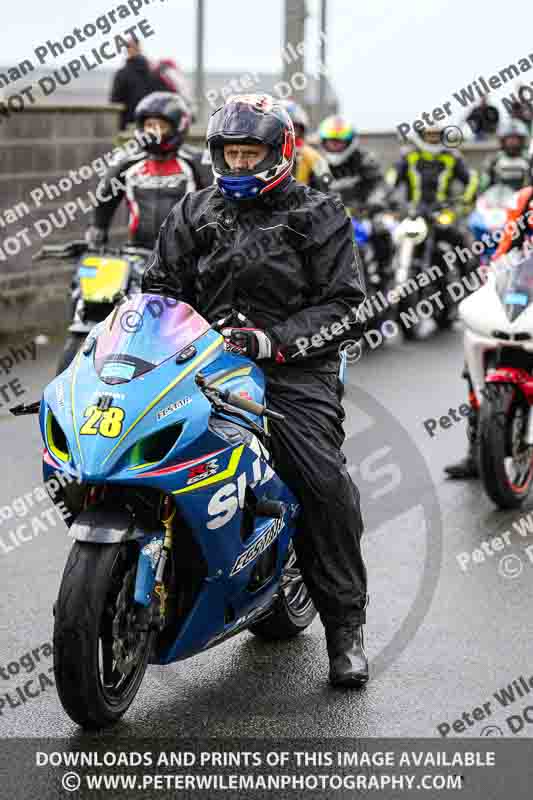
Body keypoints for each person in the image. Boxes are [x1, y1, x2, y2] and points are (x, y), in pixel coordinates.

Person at [141, 93, 370, 688]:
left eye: (251, 153)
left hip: (292, 373)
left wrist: (273, 341)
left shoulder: (318, 214)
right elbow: (159, 290)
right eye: (231, 153)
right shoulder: (194, 211)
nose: (240, 164)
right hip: (200, 363)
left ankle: (345, 627)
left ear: (279, 153)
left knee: (321, 482)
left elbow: (346, 305)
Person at [445, 185, 533, 478]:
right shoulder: (525, 197)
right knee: (481, 354)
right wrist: (495, 269)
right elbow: (507, 243)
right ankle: (477, 451)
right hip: (526, 282)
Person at [86, 92, 207, 250]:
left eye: (161, 127)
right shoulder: (127, 163)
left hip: (185, 256)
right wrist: (96, 233)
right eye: (149, 126)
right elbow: (104, 201)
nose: (153, 133)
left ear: (178, 126)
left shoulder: (197, 162)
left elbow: (217, 205)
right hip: (136, 252)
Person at [385, 125, 479, 274]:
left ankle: (468, 280)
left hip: (441, 213)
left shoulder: (452, 156)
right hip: (413, 213)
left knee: (461, 238)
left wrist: (464, 201)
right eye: (429, 135)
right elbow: (391, 178)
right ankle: (385, 277)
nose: (433, 138)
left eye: (436, 135)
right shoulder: (409, 156)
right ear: (421, 135)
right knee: (385, 237)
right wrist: (388, 197)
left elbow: (472, 179)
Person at [319, 114, 393, 280]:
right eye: (331, 141)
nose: (335, 146)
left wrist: (376, 201)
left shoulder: (364, 160)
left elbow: (379, 184)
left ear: (350, 142)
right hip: (327, 220)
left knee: (382, 229)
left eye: (339, 142)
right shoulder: (318, 164)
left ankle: (384, 276)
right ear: (323, 142)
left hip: (362, 215)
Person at [110, 40, 162, 130]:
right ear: (140, 48)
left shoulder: (122, 74)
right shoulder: (154, 73)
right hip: (150, 125)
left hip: (127, 125)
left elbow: (115, 101)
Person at [281, 100, 331, 192]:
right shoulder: (258, 152)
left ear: (301, 130)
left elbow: (325, 189)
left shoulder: (313, 157)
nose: (288, 132)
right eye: (283, 127)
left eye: (293, 127)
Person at [480, 119, 532, 192]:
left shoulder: (529, 160)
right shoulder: (494, 160)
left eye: (515, 138)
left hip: (524, 199)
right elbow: (484, 183)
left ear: (522, 140)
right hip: (499, 200)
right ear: (503, 140)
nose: (512, 142)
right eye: (509, 138)